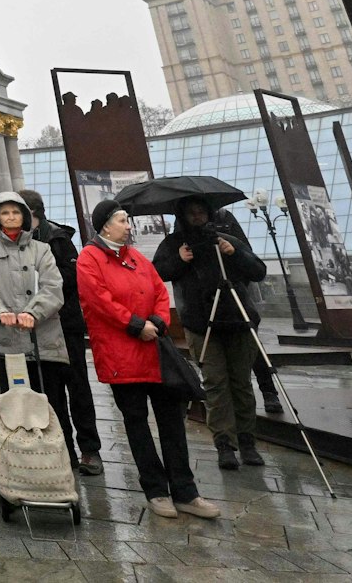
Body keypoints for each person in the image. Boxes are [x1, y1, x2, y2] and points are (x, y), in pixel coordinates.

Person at [78, 201, 219, 520]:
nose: (128, 226)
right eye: (122, 220)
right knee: (137, 424)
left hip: (155, 352)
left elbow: (158, 290)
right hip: (122, 355)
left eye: (127, 220)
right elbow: (98, 300)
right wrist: (135, 325)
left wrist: (157, 320)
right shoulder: (89, 258)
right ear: (105, 226)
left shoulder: (136, 257)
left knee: (172, 422)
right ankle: (156, 491)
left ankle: (186, 492)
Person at [153, 197, 267, 470]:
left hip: (238, 320)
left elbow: (258, 271)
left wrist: (234, 253)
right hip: (200, 324)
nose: (197, 216)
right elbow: (156, 273)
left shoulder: (227, 239)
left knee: (241, 384)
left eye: (201, 211)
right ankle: (224, 444)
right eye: (191, 212)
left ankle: (247, 442)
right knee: (215, 384)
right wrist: (179, 260)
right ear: (182, 216)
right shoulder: (174, 244)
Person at [0, 191, 77, 470]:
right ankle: (13, 470)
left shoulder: (41, 249)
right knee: (10, 409)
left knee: (51, 406)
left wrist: (33, 313)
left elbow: (53, 287)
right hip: (4, 341)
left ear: (26, 216)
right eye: (4, 213)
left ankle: (60, 466)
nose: (11, 217)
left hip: (43, 341)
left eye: (16, 212)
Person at [21, 189, 103, 474]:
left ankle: (90, 450)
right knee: (50, 393)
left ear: (31, 212)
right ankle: (62, 449)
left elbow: (72, 278)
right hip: (38, 329)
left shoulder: (58, 238)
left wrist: (39, 279)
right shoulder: (20, 241)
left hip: (66, 325)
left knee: (78, 388)